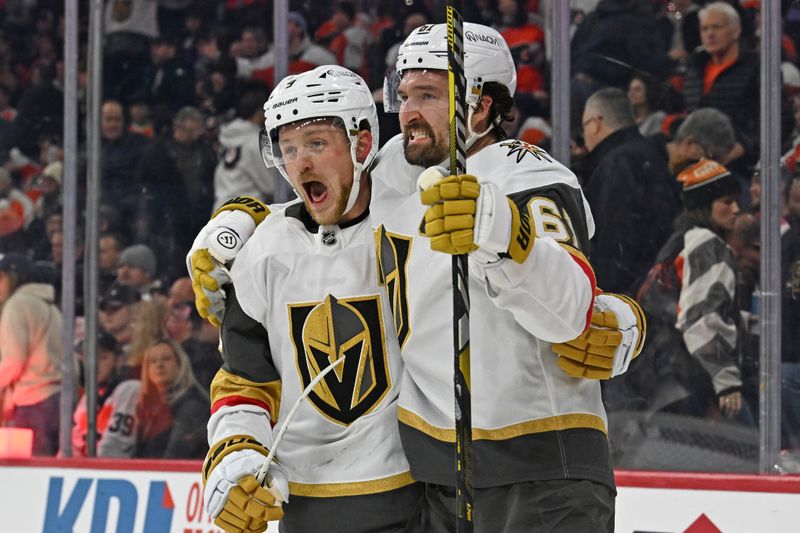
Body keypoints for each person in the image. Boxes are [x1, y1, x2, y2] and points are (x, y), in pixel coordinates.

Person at [193, 25, 645, 532]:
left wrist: (502, 232)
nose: (408, 111)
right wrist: (242, 219)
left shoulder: (529, 176)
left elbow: (572, 308)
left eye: (428, 95)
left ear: (479, 107)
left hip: (542, 468)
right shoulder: (399, 169)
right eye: (403, 94)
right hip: (442, 480)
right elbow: (324, 203)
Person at [198, 65, 420, 533]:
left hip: (413, 495)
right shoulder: (263, 251)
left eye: (317, 143)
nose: (300, 164)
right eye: (289, 148)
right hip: (303, 505)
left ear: (362, 145)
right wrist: (236, 454)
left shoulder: (410, 227)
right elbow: (244, 381)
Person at [635, 159, 751, 425]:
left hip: (661, 377)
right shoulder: (707, 244)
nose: (736, 209)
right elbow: (700, 317)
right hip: (691, 378)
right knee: (745, 444)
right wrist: (725, 381)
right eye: (726, 202)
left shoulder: (679, 240)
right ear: (704, 206)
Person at [581, 87, 680, 294]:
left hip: (628, 295)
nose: (584, 136)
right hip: (657, 284)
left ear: (596, 123)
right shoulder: (654, 155)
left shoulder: (617, 163)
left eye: (584, 126)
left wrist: (607, 294)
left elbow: (615, 241)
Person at [0, 253, 63, 456]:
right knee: (50, 465)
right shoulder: (51, 306)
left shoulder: (17, 305)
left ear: (12, 277)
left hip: (33, 401)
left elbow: (14, 360)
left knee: (32, 466)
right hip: (59, 398)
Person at [682, 2, 759, 163]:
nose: (710, 34)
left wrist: (742, 148)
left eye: (717, 27)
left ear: (736, 31)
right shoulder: (695, 66)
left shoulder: (756, 66)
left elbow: (780, 119)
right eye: (705, 29)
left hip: (741, 161)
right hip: (697, 157)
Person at [134, 338, 209, 459]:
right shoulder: (145, 409)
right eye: (153, 361)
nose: (159, 365)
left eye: (166, 359)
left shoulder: (191, 406)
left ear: (180, 364)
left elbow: (175, 457)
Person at [71, 331, 141, 457]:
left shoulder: (130, 389)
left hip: (117, 467)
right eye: (88, 358)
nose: (94, 364)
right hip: (88, 466)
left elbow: (115, 448)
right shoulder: (89, 396)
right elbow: (74, 445)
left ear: (119, 360)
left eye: (102, 357)